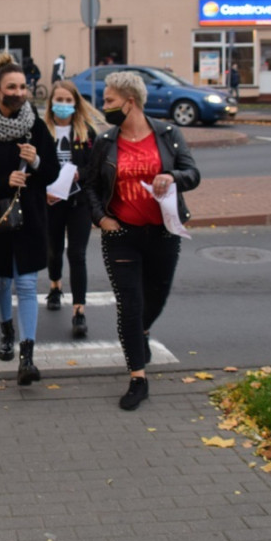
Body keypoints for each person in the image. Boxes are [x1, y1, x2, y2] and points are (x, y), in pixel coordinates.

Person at [84, 71, 200, 411]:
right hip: (122, 235)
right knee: (129, 304)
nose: (104, 107)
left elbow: (193, 174)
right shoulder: (106, 142)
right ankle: (138, 377)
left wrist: (171, 176)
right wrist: (102, 219)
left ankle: (143, 331)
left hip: (164, 232)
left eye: (109, 101)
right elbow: (90, 185)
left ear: (129, 102)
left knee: (157, 295)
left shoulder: (168, 134)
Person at [0, 53, 59, 385]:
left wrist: (35, 163)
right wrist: (4, 180)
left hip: (30, 217)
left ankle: (27, 356)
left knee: (28, 284)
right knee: (1, 281)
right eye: (11, 87)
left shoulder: (35, 126)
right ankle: (6, 332)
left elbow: (52, 174)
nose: (19, 92)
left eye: (22, 86)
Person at [43, 81, 97, 339]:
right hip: (51, 202)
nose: (62, 105)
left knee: (77, 254)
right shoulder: (42, 131)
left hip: (79, 202)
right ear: (50, 102)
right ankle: (55, 286)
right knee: (53, 250)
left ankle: (79, 311)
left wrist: (79, 174)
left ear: (75, 103)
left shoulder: (85, 133)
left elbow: (97, 169)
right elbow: (33, 166)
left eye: (67, 100)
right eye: (58, 100)